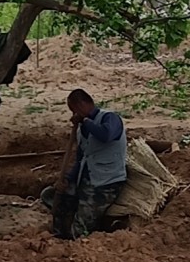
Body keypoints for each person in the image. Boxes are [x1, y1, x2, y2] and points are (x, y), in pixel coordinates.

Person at [40, 89, 127, 240]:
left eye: (74, 110)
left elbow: (105, 135)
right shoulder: (81, 131)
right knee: (50, 195)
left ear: (82, 104)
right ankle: (59, 235)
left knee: (81, 228)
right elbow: (81, 159)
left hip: (105, 184)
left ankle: (75, 240)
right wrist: (68, 179)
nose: (73, 115)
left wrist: (85, 121)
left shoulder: (110, 118)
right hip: (85, 180)